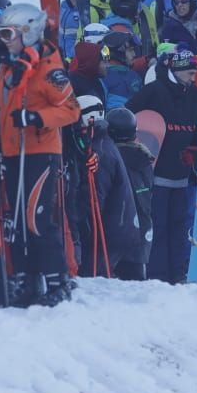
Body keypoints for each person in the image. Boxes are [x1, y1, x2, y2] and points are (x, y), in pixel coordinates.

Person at [0, 3, 80, 307]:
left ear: (28, 32)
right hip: (10, 150)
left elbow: (71, 110)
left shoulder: (48, 67)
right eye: (1, 34)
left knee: (36, 217)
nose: (3, 40)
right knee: (16, 221)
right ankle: (31, 281)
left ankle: (59, 280)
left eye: (9, 33)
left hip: (40, 151)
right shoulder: (5, 66)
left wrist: (36, 118)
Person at [126, 49, 197, 284]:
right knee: (158, 226)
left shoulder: (195, 95)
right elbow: (127, 116)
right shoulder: (153, 91)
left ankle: (178, 273)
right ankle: (157, 275)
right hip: (156, 175)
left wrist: (194, 150)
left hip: (182, 175)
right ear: (177, 70)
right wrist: (139, 150)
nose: (194, 78)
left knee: (180, 227)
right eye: (190, 73)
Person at [69, 97, 142, 279]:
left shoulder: (98, 150)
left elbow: (95, 197)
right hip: (118, 227)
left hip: (110, 232)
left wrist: (74, 218)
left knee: (95, 279)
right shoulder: (99, 142)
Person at [105, 107, 153, 280]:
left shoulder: (109, 158)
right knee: (136, 280)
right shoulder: (144, 157)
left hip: (116, 227)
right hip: (142, 226)